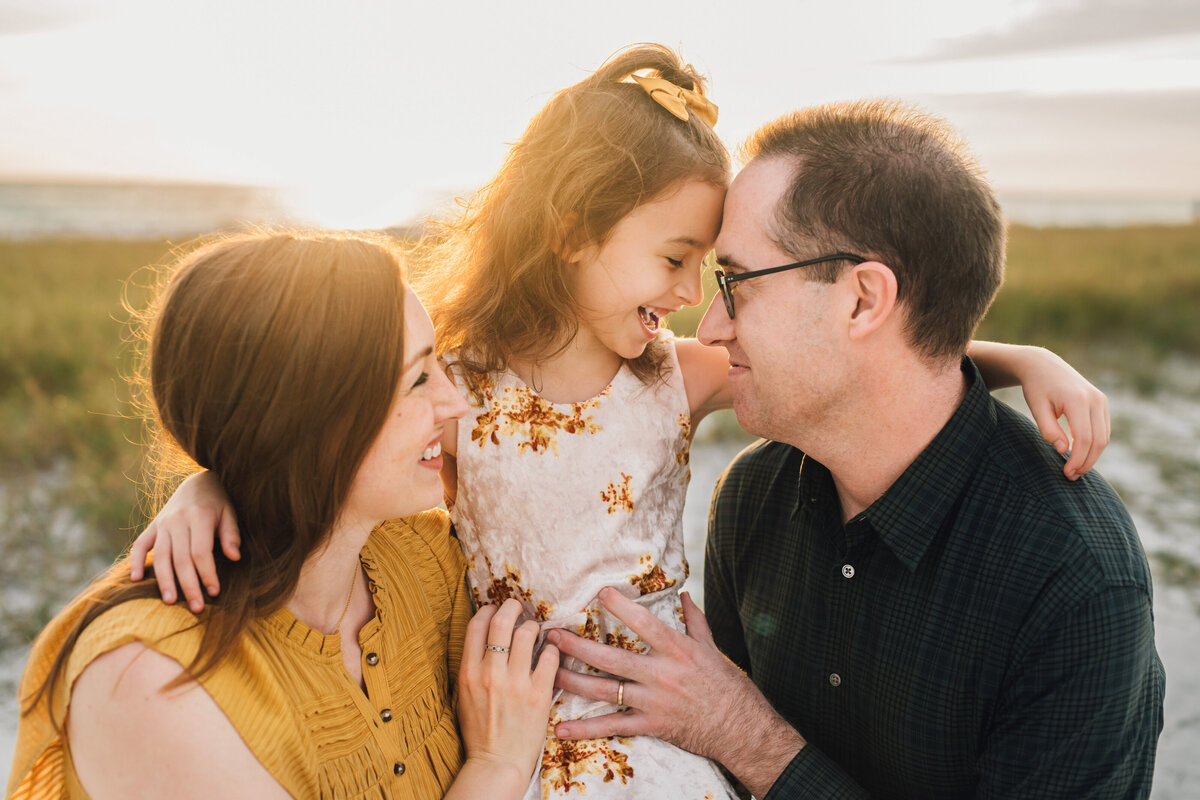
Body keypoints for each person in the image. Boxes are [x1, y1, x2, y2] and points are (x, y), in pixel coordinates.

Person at [128, 51, 1113, 799]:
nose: (694, 300)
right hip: (513, 730)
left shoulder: (664, 379)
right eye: (679, 259)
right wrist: (209, 481)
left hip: (663, 734)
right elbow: (332, 431)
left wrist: (1023, 362)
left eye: (717, 272)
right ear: (572, 229)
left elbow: (879, 368)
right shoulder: (461, 382)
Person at [544, 100, 1165, 798]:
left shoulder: (1073, 582)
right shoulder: (752, 498)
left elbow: (736, 742)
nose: (711, 325)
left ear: (864, 301)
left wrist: (744, 734)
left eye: (735, 282)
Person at [7, 231, 558, 800]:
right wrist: (496, 767)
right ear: (310, 424)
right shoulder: (150, 680)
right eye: (418, 379)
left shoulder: (425, 558)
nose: (456, 404)